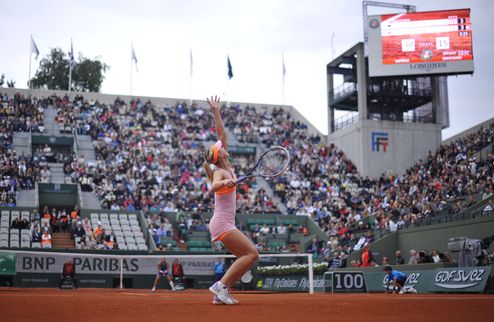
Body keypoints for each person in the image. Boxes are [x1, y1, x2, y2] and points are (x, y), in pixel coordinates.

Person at [203, 96, 257, 305]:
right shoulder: (220, 173)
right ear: (219, 154)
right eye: (221, 146)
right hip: (222, 224)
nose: (224, 144)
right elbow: (214, 187)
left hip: (224, 223)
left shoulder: (225, 166)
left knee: (246, 257)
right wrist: (226, 184)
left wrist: (216, 111)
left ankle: (221, 293)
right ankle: (220, 286)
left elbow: (221, 133)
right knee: (252, 253)